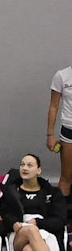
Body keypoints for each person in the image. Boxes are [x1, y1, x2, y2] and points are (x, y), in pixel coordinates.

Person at [46, 65, 72, 197]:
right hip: (69, 130)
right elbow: (53, 106)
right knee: (66, 177)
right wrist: (50, 134)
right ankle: (61, 215)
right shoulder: (61, 76)